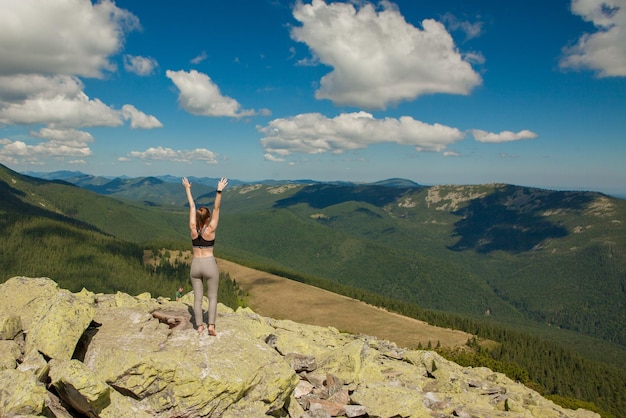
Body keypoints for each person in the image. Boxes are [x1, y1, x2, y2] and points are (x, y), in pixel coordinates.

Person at [182, 176, 228, 335]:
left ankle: (199, 326)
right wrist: (219, 190)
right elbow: (216, 208)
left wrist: (188, 189)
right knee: (213, 297)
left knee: (197, 299)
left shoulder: (192, 228)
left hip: (196, 264)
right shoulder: (211, 229)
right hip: (209, 263)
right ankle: (211, 326)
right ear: (208, 218)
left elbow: (192, 206)